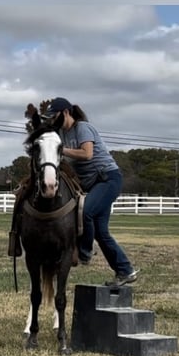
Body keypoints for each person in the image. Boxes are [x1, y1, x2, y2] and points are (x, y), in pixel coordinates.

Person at [43, 97, 139, 286]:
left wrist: (62, 150)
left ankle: (85, 253)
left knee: (85, 211)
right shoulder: (62, 133)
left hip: (108, 179)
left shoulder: (82, 128)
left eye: (54, 117)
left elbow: (87, 154)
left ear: (65, 113)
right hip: (93, 184)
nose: (52, 121)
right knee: (101, 232)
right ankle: (125, 271)